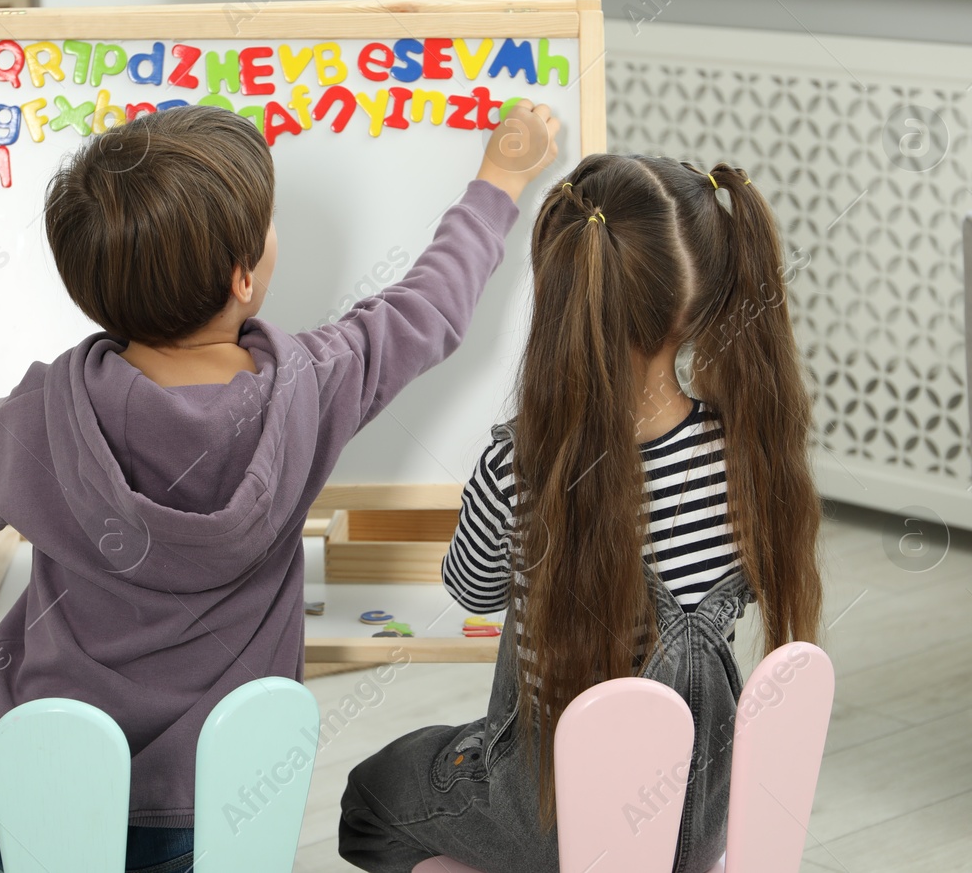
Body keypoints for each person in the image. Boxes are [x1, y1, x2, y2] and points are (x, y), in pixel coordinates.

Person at [0, 101, 559, 873]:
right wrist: (499, 178)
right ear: (245, 277)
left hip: (51, 811)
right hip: (225, 825)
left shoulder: (37, 419)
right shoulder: (310, 388)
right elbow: (429, 308)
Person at [339, 154, 824, 873]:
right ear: (701, 303)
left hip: (551, 816)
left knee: (370, 799)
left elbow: (469, 590)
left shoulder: (520, 467)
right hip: (704, 812)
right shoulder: (750, 453)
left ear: (565, 291)